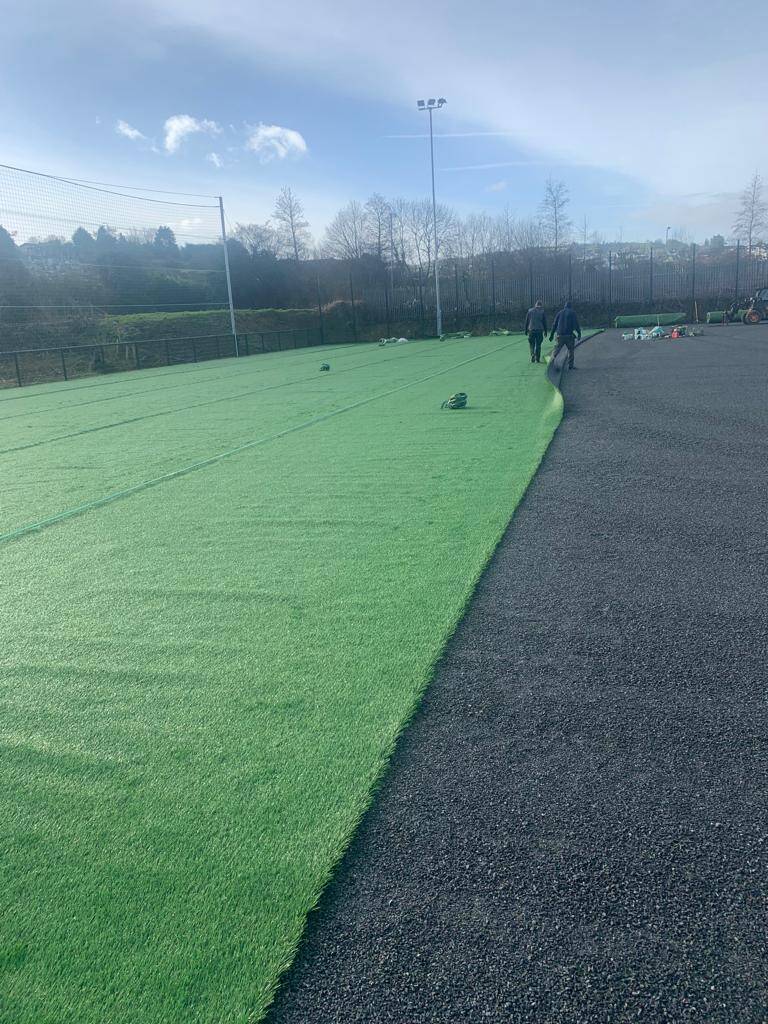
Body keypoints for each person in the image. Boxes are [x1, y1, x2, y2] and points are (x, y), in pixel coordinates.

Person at [549, 300, 582, 369]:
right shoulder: (573, 313)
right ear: (571, 307)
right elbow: (576, 324)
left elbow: (554, 325)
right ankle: (570, 366)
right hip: (569, 335)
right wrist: (579, 333)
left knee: (556, 350)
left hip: (560, 335)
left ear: (564, 306)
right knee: (570, 350)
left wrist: (551, 335)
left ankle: (551, 364)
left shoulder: (559, 313)